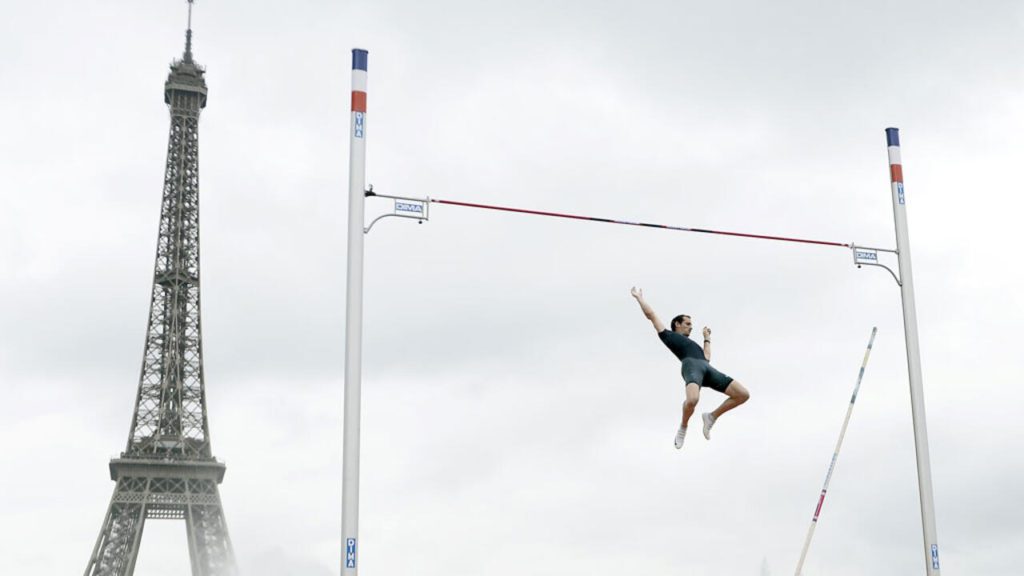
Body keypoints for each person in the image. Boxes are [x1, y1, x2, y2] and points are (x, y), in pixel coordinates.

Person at [630, 287, 750, 449]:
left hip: (707, 368)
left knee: (743, 394)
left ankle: (711, 417)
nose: (691, 327)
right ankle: (683, 426)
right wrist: (639, 298)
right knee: (693, 400)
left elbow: (707, 358)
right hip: (691, 366)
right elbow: (651, 316)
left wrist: (707, 339)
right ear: (677, 325)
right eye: (687, 323)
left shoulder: (695, 345)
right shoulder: (668, 336)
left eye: (691, 324)